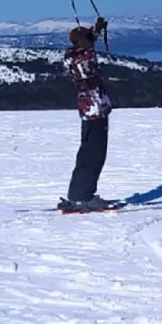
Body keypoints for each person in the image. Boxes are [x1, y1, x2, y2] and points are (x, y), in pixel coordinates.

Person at [57, 17, 113, 213]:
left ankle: (80, 194)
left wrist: (95, 30)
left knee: (92, 153)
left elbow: (88, 42)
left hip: (95, 110)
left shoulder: (78, 54)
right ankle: (83, 196)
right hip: (94, 111)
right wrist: (91, 38)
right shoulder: (80, 60)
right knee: (93, 154)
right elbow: (87, 57)